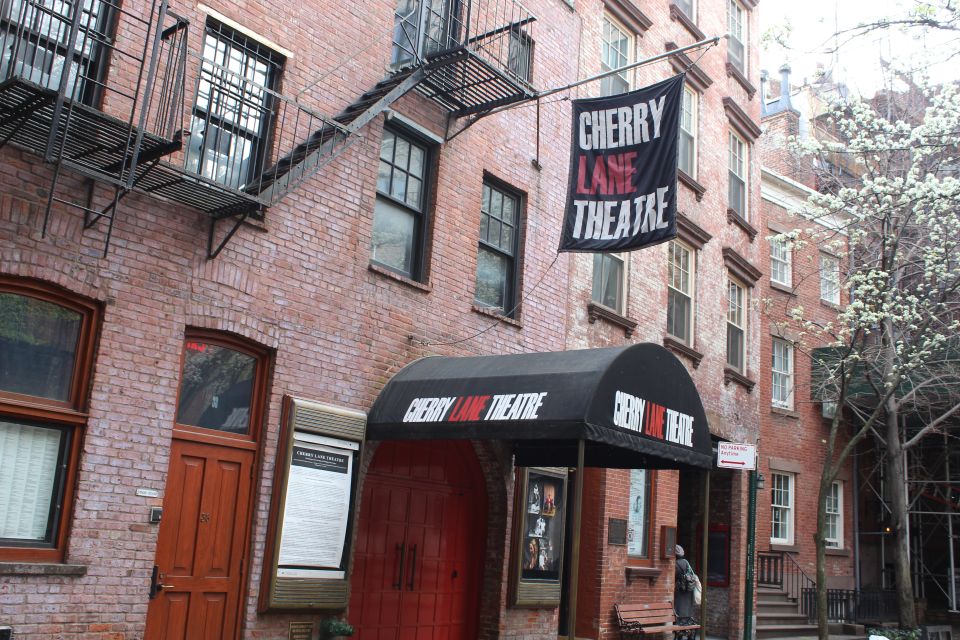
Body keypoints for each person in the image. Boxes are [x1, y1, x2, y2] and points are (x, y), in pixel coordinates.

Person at [673, 545, 697, 639]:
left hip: (680, 590)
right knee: (687, 611)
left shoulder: (675, 564)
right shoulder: (686, 562)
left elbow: (673, 576)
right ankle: (688, 633)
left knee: (679, 611)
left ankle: (679, 635)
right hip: (688, 591)